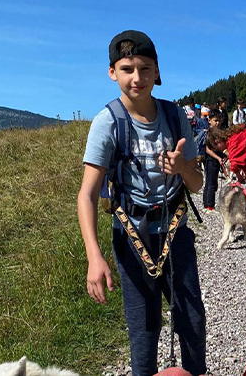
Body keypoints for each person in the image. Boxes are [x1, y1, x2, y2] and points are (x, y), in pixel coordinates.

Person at [77, 29, 207, 376]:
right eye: (127, 69)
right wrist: (94, 256)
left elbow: (197, 185)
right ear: (112, 72)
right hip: (130, 235)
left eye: (145, 68)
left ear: (157, 71)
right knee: (144, 327)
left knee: (192, 318)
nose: (137, 78)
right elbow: (87, 194)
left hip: (175, 232)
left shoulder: (175, 116)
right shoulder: (108, 123)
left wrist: (182, 168)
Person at [202, 109, 226, 215]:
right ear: (209, 120)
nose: (217, 123)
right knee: (211, 183)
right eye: (215, 120)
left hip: (212, 160)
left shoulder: (212, 132)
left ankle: (206, 204)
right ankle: (209, 206)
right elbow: (208, 150)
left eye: (218, 121)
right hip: (211, 161)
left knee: (209, 182)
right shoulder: (210, 133)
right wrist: (218, 158)